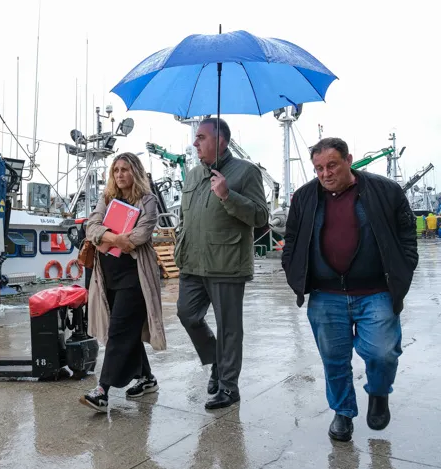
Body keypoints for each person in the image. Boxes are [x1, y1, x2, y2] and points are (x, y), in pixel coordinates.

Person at [282, 138, 418, 442]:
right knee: (334, 359)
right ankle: (342, 412)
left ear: (349, 160)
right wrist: (294, 273)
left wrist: (403, 269)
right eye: (318, 168)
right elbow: (291, 238)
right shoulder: (304, 197)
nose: (325, 173)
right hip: (326, 295)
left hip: (376, 291)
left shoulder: (385, 191)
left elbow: (407, 234)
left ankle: (379, 393)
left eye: (332, 165)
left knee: (383, 353)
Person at [174, 117, 268, 410]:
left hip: (226, 263)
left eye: (201, 137)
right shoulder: (191, 175)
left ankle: (228, 387)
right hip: (192, 261)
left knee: (229, 328)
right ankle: (216, 360)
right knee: (187, 314)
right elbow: (185, 216)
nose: (195, 142)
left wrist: (228, 195)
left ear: (221, 141)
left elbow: (261, 217)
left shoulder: (246, 172)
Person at [80, 153, 167, 412]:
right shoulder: (107, 199)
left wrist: (107, 237)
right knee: (128, 330)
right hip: (108, 277)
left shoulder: (147, 201)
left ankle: (102, 391)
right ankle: (147, 379)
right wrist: (116, 239)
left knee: (118, 329)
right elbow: (91, 227)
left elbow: (139, 236)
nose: (119, 174)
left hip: (135, 277)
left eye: (125, 170)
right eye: (116, 170)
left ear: (135, 172)